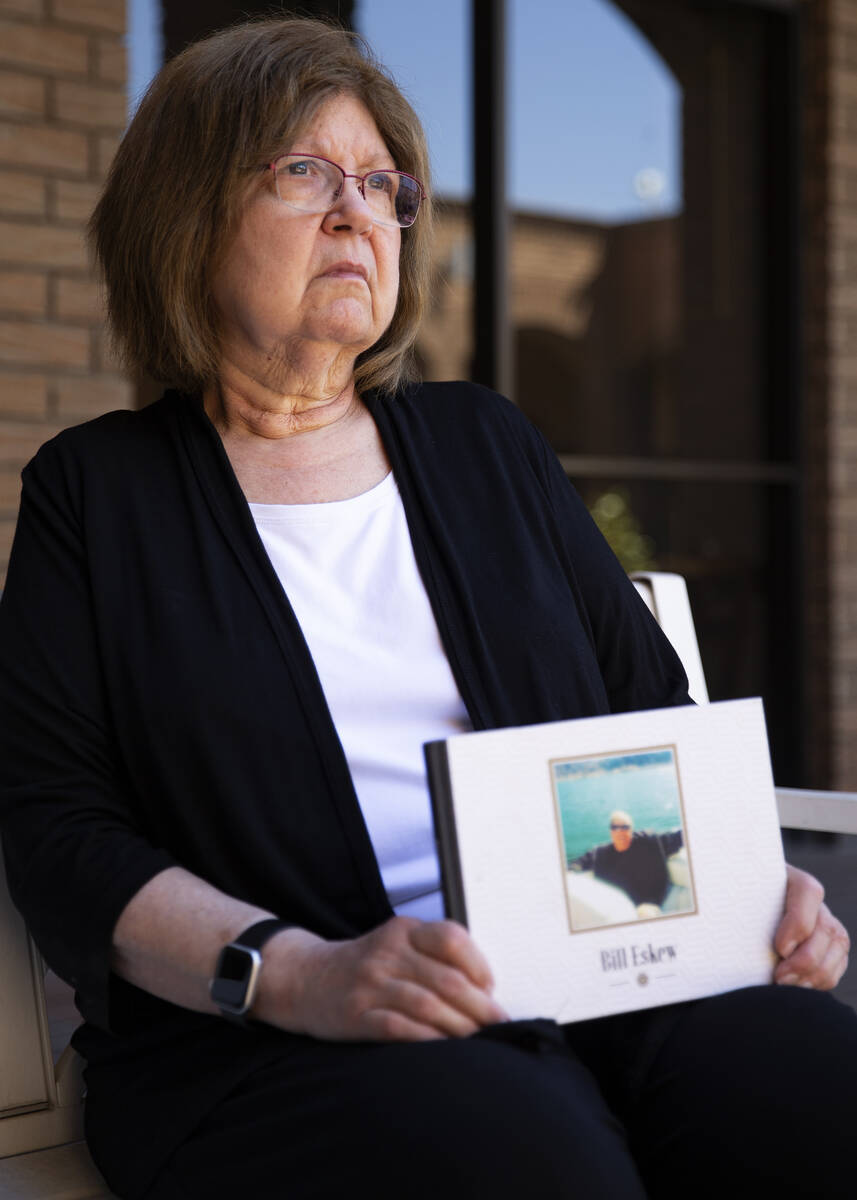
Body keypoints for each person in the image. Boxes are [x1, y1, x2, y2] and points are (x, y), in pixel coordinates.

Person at [0, 17, 853, 1200]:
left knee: (812, 1081)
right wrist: (295, 972)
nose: (357, 211)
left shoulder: (485, 442)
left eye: (382, 184)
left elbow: (645, 714)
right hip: (274, 1038)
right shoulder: (97, 494)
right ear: (184, 215)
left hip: (595, 965)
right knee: (527, 1155)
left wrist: (748, 887)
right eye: (305, 172)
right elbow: (59, 830)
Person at [569, 810, 683, 908]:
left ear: (631, 829)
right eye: (615, 827)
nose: (620, 832)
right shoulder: (601, 853)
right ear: (611, 831)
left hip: (650, 905)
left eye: (624, 827)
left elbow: (679, 837)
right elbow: (577, 864)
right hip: (620, 908)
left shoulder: (649, 842)